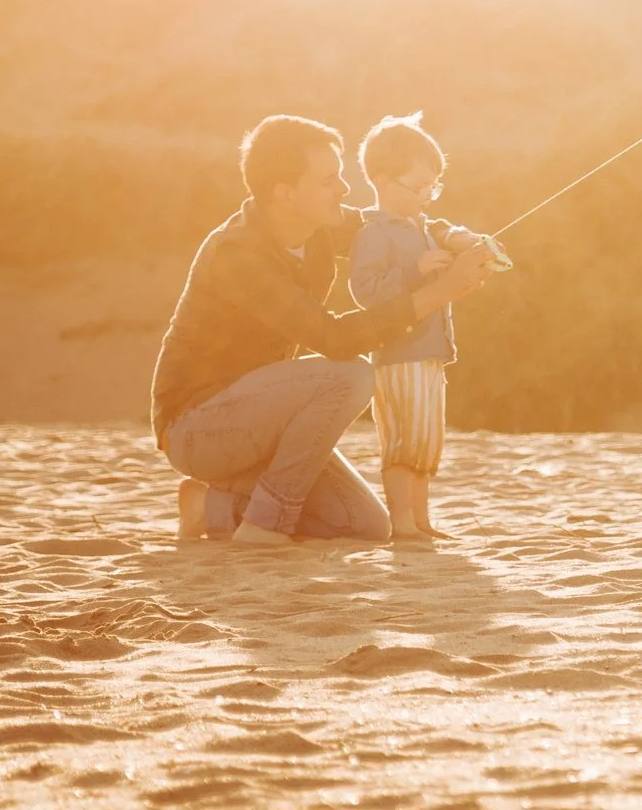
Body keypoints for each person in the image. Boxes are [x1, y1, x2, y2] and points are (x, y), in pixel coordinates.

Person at [152, 114, 496, 545]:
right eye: (329, 180)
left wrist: (459, 241)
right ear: (285, 193)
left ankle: (212, 506)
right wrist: (442, 290)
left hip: (270, 415)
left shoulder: (319, 226)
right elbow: (332, 338)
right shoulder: (237, 255)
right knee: (349, 375)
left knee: (364, 525)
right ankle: (264, 526)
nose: (346, 189)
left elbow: (393, 220)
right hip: (197, 427)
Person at [350, 112, 489, 542]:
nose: (428, 196)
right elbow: (366, 291)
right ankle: (402, 522)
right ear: (383, 181)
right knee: (404, 444)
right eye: (418, 186)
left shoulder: (424, 225)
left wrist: (478, 245)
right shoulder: (374, 230)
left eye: (434, 186)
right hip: (399, 354)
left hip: (432, 353)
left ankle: (422, 522)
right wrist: (414, 270)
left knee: (427, 445)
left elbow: (452, 231)